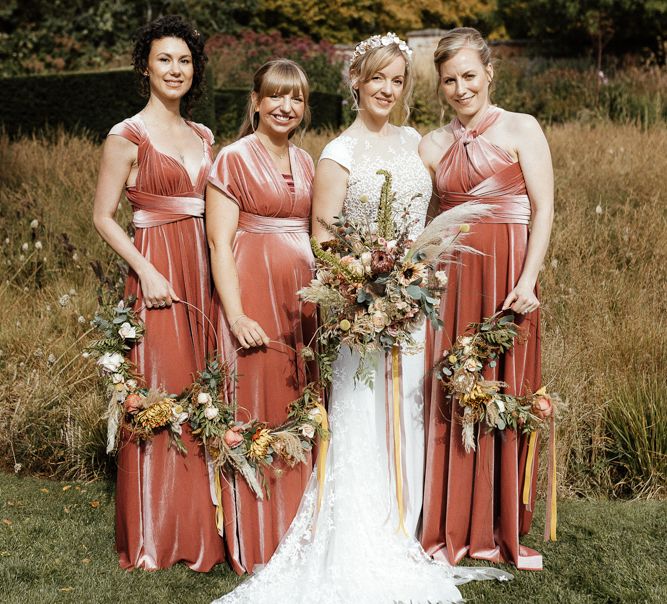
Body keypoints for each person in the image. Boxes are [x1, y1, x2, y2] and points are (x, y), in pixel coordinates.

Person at [211, 34, 510, 604]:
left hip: (416, 304)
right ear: (356, 82)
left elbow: (438, 212)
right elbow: (322, 237)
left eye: (397, 80)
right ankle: (368, 530)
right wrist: (363, 291)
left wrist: (415, 278)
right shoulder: (337, 153)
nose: (387, 89)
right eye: (378, 78)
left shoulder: (417, 143)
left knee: (412, 413)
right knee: (366, 417)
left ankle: (410, 524)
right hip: (364, 311)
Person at [92, 16, 225, 570]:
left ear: (194, 71)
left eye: (184, 61)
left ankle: (203, 529)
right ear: (144, 65)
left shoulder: (204, 137)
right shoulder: (126, 136)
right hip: (159, 267)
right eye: (164, 59)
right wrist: (145, 271)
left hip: (203, 266)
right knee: (161, 387)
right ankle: (155, 533)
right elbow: (102, 217)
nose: (175, 70)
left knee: (205, 384)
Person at [419, 27, 554, 571]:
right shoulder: (431, 143)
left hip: (509, 279)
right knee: (455, 390)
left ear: (489, 74)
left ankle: (503, 527)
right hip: (454, 283)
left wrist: (528, 280)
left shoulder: (523, 128)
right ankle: (453, 524)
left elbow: (543, 209)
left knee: (505, 389)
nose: (460, 87)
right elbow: (427, 219)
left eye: (469, 75)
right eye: (449, 79)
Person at [206, 59, 317, 575]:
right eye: (274, 96)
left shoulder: (309, 161)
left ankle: (300, 529)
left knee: (299, 406)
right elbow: (219, 245)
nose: (284, 106)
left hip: (302, 305)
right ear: (255, 101)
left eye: (294, 98)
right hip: (254, 294)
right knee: (258, 407)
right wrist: (236, 314)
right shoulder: (232, 159)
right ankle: (257, 537)